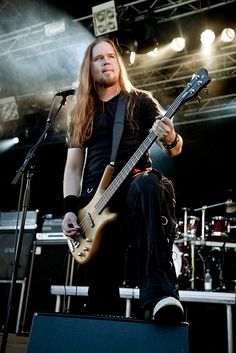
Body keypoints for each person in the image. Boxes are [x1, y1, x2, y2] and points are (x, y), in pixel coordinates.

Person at [61, 37, 184, 324]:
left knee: (149, 183)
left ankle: (159, 296)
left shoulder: (139, 101)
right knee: (101, 298)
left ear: (119, 62)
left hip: (134, 190)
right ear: (89, 69)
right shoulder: (82, 109)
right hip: (94, 207)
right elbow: (73, 168)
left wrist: (171, 137)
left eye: (111, 56)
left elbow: (175, 148)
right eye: (98, 58)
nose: (106, 61)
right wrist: (69, 208)